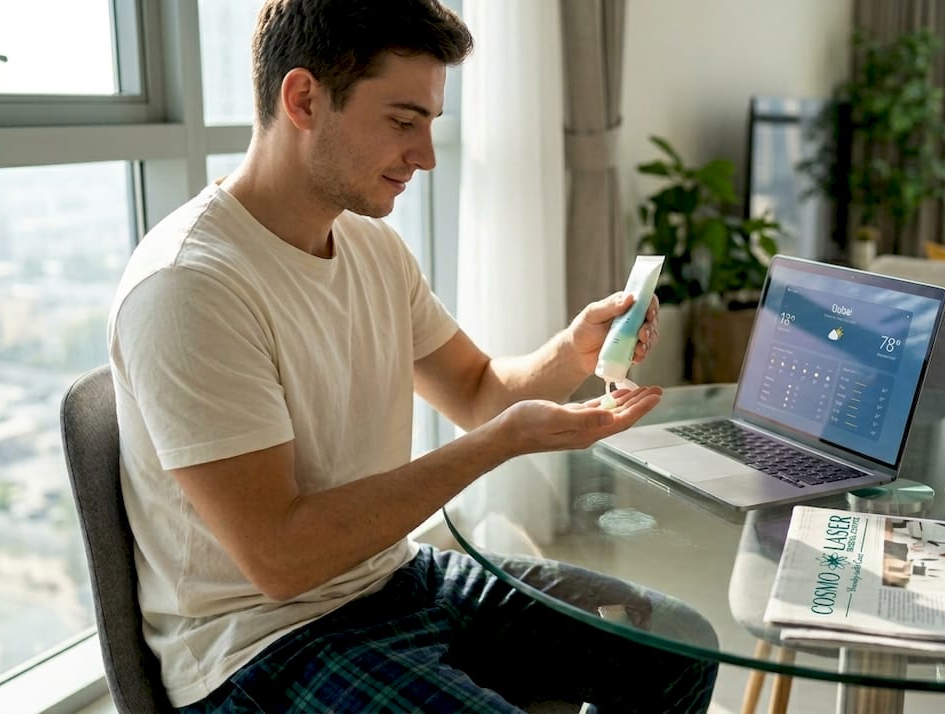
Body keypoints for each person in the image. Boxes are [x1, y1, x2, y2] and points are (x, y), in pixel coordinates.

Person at [107, 1, 717, 711]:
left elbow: (479, 390)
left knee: (676, 645)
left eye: (431, 124)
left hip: (394, 580)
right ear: (304, 98)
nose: (425, 156)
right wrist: (498, 446)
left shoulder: (369, 244)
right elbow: (280, 559)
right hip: (261, 647)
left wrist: (572, 350)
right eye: (403, 121)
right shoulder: (190, 287)